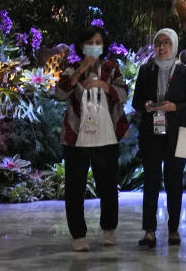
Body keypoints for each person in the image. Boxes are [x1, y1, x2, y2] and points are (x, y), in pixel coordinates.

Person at [54, 25, 129, 252]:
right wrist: (80, 71)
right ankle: (78, 235)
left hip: (107, 135)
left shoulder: (111, 68)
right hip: (77, 138)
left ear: (103, 46)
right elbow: (59, 93)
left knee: (107, 185)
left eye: (98, 42)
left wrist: (102, 85)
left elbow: (124, 93)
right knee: (75, 187)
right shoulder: (72, 68)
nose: (94, 47)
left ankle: (109, 230)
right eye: (90, 43)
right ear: (81, 46)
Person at [132, 27, 186, 248]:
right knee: (150, 181)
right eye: (158, 43)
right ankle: (149, 231)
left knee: (175, 183)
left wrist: (174, 107)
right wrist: (146, 105)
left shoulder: (184, 72)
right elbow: (136, 102)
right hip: (151, 132)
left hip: (181, 133)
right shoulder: (145, 70)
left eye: (166, 43)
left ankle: (173, 230)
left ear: (174, 46)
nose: (161, 47)